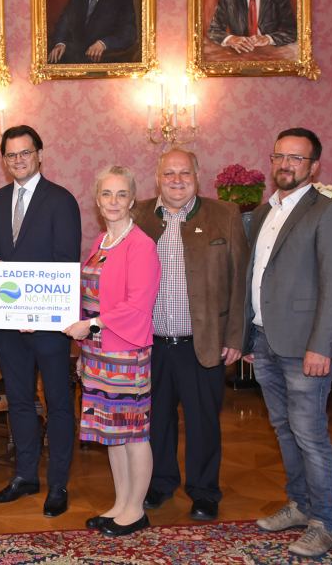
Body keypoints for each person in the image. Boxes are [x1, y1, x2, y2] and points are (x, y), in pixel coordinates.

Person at [246, 128, 332, 558]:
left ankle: (325, 523)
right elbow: (258, 277)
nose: (285, 164)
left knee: (310, 434)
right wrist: (247, 335)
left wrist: (322, 346)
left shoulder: (329, 214)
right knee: (283, 429)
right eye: (280, 156)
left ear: (314, 167)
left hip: (305, 346)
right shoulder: (263, 211)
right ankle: (300, 506)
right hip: (265, 339)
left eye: (296, 158)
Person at [132, 149, 248, 522]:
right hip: (153, 343)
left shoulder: (224, 216)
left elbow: (240, 281)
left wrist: (236, 336)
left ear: (199, 176)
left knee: (203, 423)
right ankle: (161, 484)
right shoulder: (139, 216)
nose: (177, 180)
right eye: (169, 174)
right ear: (157, 178)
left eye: (185, 173)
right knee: (156, 420)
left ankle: (204, 491)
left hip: (204, 343)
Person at [0, 125, 81, 517]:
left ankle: (58, 482)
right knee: (18, 401)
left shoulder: (61, 200)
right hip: (7, 324)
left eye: (25, 153)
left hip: (51, 325)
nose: (18, 160)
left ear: (39, 153)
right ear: (3, 160)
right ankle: (24, 475)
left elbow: (65, 262)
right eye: (11, 155)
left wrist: (34, 311)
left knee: (57, 402)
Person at [64, 166, 160, 537]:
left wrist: (91, 325)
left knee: (133, 433)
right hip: (98, 352)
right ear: (98, 200)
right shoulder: (101, 241)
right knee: (112, 432)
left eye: (122, 194)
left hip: (125, 353)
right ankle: (121, 503)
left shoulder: (141, 245)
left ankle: (136, 509)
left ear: (133, 199)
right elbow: (87, 295)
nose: (114, 202)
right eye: (107, 194)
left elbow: (138, 305)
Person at [47, 0, 136, 64]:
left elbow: (129, 34)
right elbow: (64, 21)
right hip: (73, 54)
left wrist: (104, 43)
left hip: (103, 58)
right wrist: (59, 43)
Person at [207, 0, 296, 53]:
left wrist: (268, 38)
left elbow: (292, 31)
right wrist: (231, 39)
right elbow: (213, 30)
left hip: (272, 53)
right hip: (238, 54)